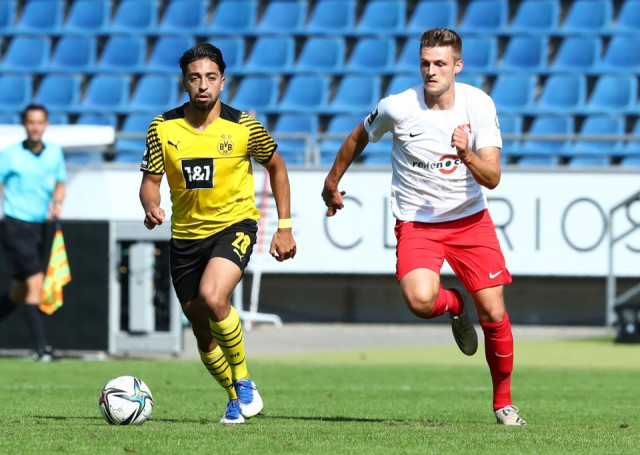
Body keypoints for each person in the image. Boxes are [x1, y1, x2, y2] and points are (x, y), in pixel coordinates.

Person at [321, 28, 526, 426]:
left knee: (493, 310)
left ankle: (503, 403)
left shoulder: (479, 104)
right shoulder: (397, 107)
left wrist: (466, 154)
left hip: (470, 221)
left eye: (440, 64)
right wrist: (332, 182)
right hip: (418, 222)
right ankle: (455, 305)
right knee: (419, 301)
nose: (431, 71)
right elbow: (357, 137)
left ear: (457, 66)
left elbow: (493, 178)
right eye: (425, 64)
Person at [139, 43, 297, 424]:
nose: (203, 85)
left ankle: (243, 379)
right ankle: (233, 397)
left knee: (213, 296)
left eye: (210, 77)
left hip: (234, 225)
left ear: (223, 82)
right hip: (185, 238)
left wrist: (285, 226)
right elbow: (150, 183)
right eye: (195, 78)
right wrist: (151, 205)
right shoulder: (162, 128)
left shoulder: (244, 127)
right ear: (184, 83)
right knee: (201, 330)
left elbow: (277, 167)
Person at [0, 104, 66, 362]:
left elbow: (60, 184)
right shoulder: (10, 155)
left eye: (39, 122)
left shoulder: (55, 153)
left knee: (18, 293)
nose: (35, 127)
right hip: (15, 225)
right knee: (35, 282)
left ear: (46, 124)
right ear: (25, 125)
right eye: (31, 122)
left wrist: (57, 202)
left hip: (39, 228)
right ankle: (42, 349)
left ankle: (41, 348)